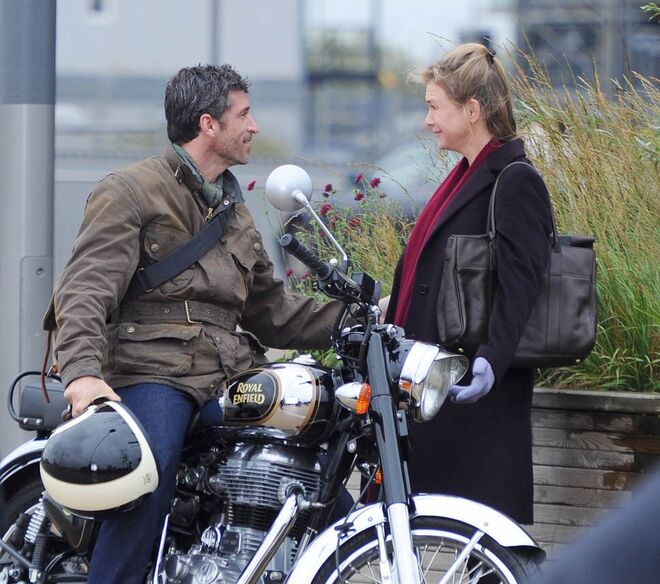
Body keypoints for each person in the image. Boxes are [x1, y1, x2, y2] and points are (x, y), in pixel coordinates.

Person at [46, 64, 342, 584]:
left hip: (227, 371)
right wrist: (83, 377)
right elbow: (85, 289)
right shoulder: (132, 190)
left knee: (311, 449)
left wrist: (362, 317)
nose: (254, 126)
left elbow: (272, 312)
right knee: (147, 471)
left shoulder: (234, 212)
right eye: (243, 115)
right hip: (152, 369)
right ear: (209, 124)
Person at [384, 43, 553, 526]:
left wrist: (489, 364)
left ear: (472, 110)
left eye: (435, 107)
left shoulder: (514, 180)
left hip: (475, 403)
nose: (428, 121)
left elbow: (521, 287)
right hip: (439, 392)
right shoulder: (465, 176)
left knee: (484, 545)